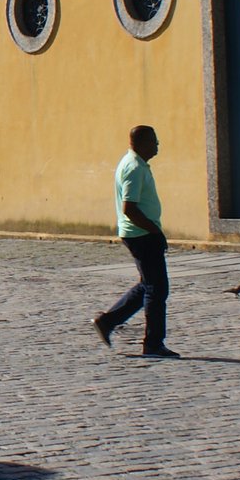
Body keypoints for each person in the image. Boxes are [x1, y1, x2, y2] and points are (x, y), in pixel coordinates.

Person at [94, 125, 176, 358]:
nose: (157, 146)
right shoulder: (134, 168)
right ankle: (153, 343)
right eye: (154, 141)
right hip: (141, 235)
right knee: (157, 290)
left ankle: (107, 321)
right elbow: (129, 208)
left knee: (148, 285)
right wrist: (155, 232)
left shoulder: (135, 163)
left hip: (139, 233)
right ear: (140, 142)